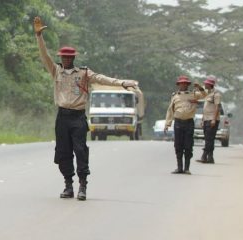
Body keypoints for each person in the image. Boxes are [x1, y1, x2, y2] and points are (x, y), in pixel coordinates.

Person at [33, 16, 138, 200]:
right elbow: (44, 56)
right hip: (62, 117)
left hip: (78, 117)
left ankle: (83, 186)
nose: (65, 60)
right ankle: (68, 185)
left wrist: (122, 83)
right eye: (63, 57)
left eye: (68, 57)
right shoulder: (55, 70)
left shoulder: (83, 73)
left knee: (80, 150)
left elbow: (102, 78)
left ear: (73, 58)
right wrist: (39, 36)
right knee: (63, 152)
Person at [164, 76, 206, 175]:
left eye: (185, 83)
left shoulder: (194, 94)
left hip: (189, 123)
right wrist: (167, 124)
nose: (183, 85)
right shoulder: (175, 96)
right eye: (181, 83)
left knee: (188, 146)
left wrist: (200, 87)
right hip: (178, 122)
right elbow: (170, 110)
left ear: (187, 85)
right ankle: (179, 168)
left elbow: (205, 95)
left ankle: (186, 168)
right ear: (178, 85)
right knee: (178, 145)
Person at [196, 76, 221, 164]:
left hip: (212, 119)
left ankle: (204, 156)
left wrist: (214, 119)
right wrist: (203, 120)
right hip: (206, 119)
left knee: (209, 139)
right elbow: (205, 108)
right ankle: (210, 157)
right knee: (208, 139)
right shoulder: (207, 94)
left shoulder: (216, 94)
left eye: (206, 84)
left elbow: (217, 107)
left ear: (210, 85)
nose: (205, 85)